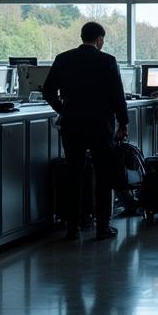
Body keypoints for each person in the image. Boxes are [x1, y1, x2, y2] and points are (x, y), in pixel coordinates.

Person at [43, 21, 128, 241]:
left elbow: (48, 91)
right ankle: (103, 227)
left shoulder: (63, 59)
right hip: (101, 127)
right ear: (99, 39)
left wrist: (64, 110)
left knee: (74, 175)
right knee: (103, 176)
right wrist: (123, 123)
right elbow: (117, 96)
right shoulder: (107, 61)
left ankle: (73, 227)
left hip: (72, 126)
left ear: (82, 37)